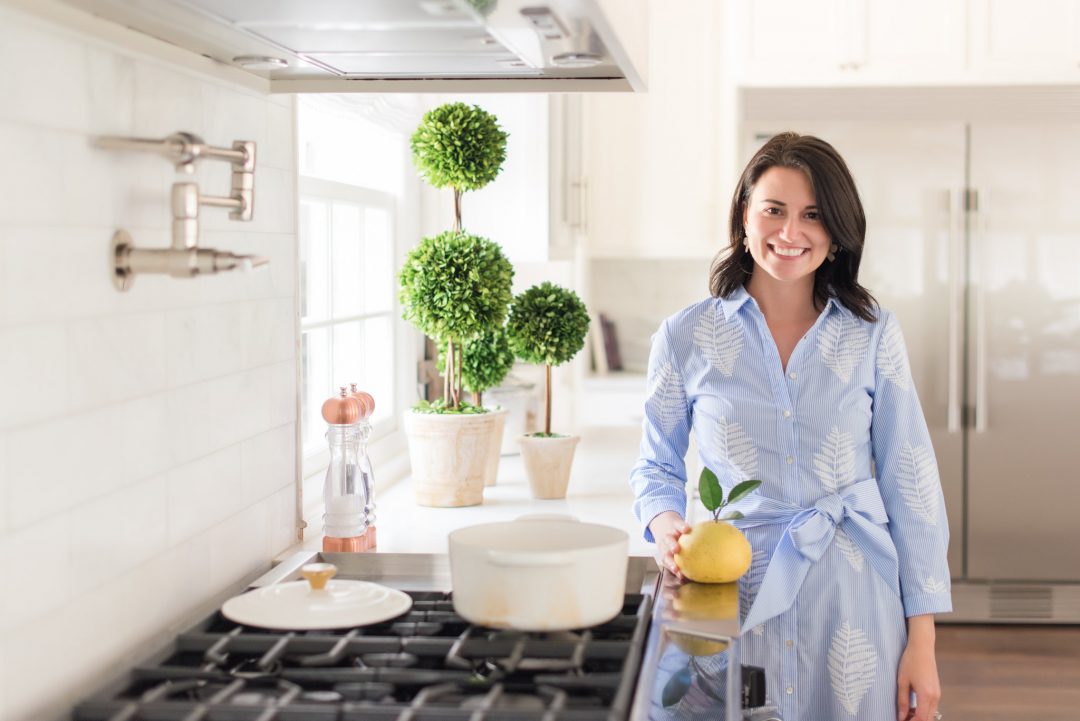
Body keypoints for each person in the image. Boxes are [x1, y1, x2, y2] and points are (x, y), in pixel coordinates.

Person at [630, 132, 951, 721]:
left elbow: (911, 481)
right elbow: (656, 463)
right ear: (744, 216)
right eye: (773, 210)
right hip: (727, 594)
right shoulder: (684, 337)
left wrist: (922, 642)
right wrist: (665, 520)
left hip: (853, 601)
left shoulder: (872, 333)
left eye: (812, 215)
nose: (789, 232)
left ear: (836, 233)